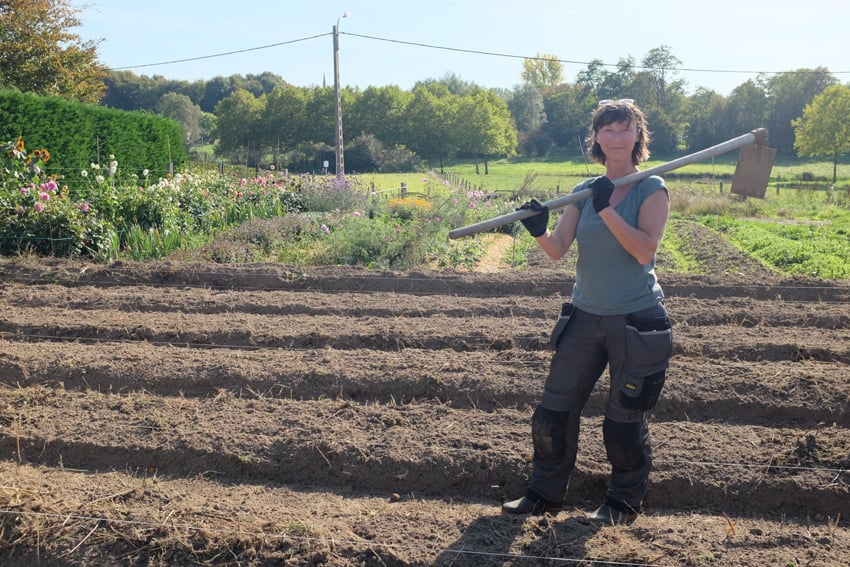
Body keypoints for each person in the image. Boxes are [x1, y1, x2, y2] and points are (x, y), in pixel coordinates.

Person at [502, 99, 672, 524]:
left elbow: (642, 251)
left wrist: (608, 208)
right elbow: (558, 250)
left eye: (624, 128)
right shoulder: (585, 189)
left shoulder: (652, 188)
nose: (616, 137)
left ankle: (623, 503)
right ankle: (544, 494)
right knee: (552, 411)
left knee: (623, 422)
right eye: (607, 130)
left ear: (638, 136)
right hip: (584, 316)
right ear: (596, 138)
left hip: (636, 320)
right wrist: (539, 228)